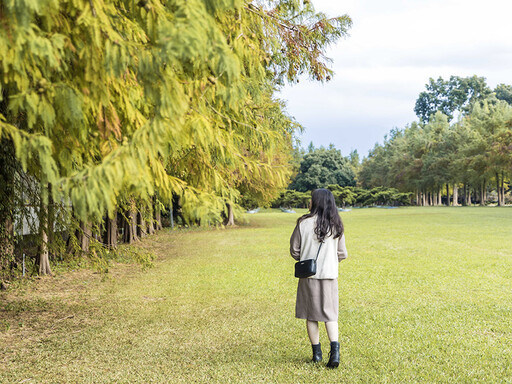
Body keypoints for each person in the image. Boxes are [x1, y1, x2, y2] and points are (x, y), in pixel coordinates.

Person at [289, 188, 348, 368]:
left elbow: (294, 250)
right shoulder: (336, 224)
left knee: (311, 315)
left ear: (314, 202)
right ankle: (335, 353)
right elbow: (343, 253)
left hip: (309, 276)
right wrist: (329, 260)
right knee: (331, 315)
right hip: (330, 275)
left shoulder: (303, 223)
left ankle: (317, 354)